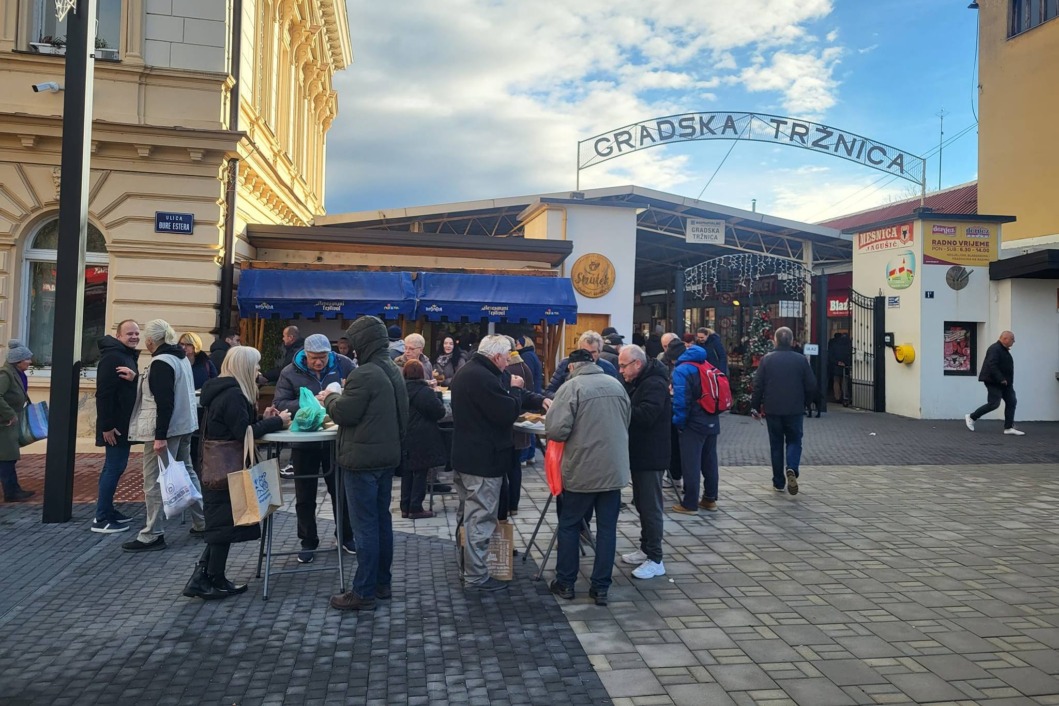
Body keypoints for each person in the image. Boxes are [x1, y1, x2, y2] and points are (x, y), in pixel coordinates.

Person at [185, 347, 290, 600]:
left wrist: (262, 417)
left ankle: (205, 577)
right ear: (244, 366)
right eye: (255, 365)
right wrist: (277, 422)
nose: (258, 371)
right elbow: (243, 433)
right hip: (225, 470)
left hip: (217, 467)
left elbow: (240, 427)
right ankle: (212, 579)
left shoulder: (223, 391)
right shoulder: (232, 395)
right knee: (223, 527)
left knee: (221, 525)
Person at [323, 316, 409, 612]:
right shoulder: (392, 369)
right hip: (386, 458)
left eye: (353, 342)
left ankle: (363, 591)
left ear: (364, 342)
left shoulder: (364, 374)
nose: (351, 348)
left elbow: (345, 413)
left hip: (362, 462)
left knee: (365, 527)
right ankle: (381, 583)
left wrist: (331, 397)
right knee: (381, 521)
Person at [546, 349, 631, 606]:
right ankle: (601, 588)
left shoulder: (572, 388)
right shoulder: (616, 385)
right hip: (613, 470)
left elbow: (556, 430)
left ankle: (566, 583)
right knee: (607, 530)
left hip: (582, 470)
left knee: (570, 525)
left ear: (572, 367)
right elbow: (627, 420)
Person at [123, 319, 205, 552]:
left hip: (166, 430)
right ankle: (202, 522)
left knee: (154, 480)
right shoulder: (180, 358)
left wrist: (160, 437)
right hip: (185, 425)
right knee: (187, 472)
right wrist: (137, 378)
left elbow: (164, 401)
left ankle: (152, 533)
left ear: (150, 341)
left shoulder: (160, 362)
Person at [450, 335, 524, 592]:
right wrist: (515, 389)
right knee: (479, 520)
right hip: (483, 461)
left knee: (467, 518)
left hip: (466, 457)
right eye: (506, 358)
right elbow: (506, 412)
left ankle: (466, 570)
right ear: (495, 357)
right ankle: (476, 577)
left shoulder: (469, 371)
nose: (507, 364)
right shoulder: (482, 377)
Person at [273, 333, 356, 562]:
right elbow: (279, 403)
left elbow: (358, 394)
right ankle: (308, 541)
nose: (318, 362)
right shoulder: (290, 372)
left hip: (336, 439)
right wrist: (310, 402)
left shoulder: (344, 364)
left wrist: (338, 396)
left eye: (322, 358)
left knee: (340, 490)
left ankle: (346, 535)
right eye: (313, 358)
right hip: (304, 441)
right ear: (305, 355)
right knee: (304, 494)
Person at [618, 345, 670, 580]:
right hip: (640, 453)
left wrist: (622, 410)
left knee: (651, 507)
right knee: (641, 503)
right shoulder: (641, 381)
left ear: (637, 364)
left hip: (651, 454)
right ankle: (646, 548)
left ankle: (656, 559)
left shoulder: (654, 383)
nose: (621, 371)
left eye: (623, 366)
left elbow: (647, 415)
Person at [750, 327, 818, 495]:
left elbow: (758, 385)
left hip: (773, 408)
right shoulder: (801, 360)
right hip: (794, 408)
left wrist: (755, 406)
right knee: (795, 440)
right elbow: (811, 385)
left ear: (775, 340)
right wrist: (805, 403)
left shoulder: (767, 360)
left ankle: (778, 482)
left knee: (776, 445)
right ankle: (792, 467)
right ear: (792, 340)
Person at [92, 320, 141, 532]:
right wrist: (107, 426)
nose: (134, 337)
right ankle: (102, 518)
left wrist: (135, 379)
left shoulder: (125, 355)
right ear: (119, 336)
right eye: (129, 333)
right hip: (115, 427)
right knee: (114, 467)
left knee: (114, 467)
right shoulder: (113, 357)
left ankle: (107, 511)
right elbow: (103, 394)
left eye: (137, 333)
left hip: (122, 424)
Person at [670, 342, 720, 514]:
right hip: (712, 418)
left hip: (694, 422)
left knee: (691, 463)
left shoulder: (682, 370)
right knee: (710, 460)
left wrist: (679, 423)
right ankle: (710, 499)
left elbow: (681, 400)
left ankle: (690, 503)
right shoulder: (706, 365)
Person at [401, 359, 446, 519]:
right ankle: (415, 507)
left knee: (407, 471)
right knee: (420, 471)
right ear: (421, 374)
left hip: (405, 434)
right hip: (423, 436)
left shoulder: (400, 390)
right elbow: (439, 412)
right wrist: (437, 395)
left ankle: (405, 507)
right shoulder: (425, 392)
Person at [966, 330, 1024, 436]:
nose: (1014, 341)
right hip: (994, 381)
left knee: (1012, 401)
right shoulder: (995, 349)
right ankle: (972, 417)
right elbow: (992, 365)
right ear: (1005, 338)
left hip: (1006, 383)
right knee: (994, 403)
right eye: (1012, 339)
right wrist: (1001, 378)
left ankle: (1008, 427)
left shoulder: (1004, 350)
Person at [0, 340, 36, 503]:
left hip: (8, 423)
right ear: (18, 360)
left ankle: (14, 489)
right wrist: (9, 414)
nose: (30, 362)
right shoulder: (5, 374)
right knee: (7, 458)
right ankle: (11, 492)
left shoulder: (16, 373)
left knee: (9, 457)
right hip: (4, 423)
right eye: (27, 359)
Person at [545, 331, 620, 397]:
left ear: (599, 351)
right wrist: (566, 399)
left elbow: (615, 392)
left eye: (593, 352)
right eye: (585, 352)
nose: (589, 356)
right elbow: (549, 391)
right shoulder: (565, 364)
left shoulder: (608, 368)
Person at [828, 332, 851, 404]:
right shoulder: (848, 345)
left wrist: (837, 362)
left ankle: (837, 397)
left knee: (836, 381)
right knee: (845, 381)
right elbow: (850, 355)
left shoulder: (835, 344)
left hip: (836, 365)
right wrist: (846, 363)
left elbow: (830, 356)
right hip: (845, 366)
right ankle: (845, 397)